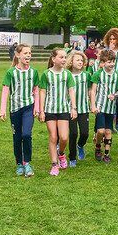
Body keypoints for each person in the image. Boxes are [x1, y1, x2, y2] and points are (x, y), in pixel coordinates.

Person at [0, 43, 39, 177]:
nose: (28, 56)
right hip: (15, 109)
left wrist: (37, 108)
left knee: (26, 134)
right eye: (25, 53)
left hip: (29, 107)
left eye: (30, 53)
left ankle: (27, 162)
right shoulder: (11, 72)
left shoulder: (33, 72)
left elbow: (36, 90)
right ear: (17, 55)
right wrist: (2, 110)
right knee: (17, 137)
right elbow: (5, 90)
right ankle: (19, 164)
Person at [39, 48, 77, 176]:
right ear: (53, 59)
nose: (64, 60)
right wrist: (41, 110)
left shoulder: (67, 74)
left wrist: (73, 107)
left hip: (63, 110)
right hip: (49, 110)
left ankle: (61, 154)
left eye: (65, 57)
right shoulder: (46, 74)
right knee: (53, 137)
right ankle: (54, 164)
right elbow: (42, 92)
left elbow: (71, 91)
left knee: (64, 137)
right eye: (61, 57)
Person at [90, 49, 118, 163]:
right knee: (100, 131)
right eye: (109, 61)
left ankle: (107, 154)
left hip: (110, 108)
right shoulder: (98, 74)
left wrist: (115, 95)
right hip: (100, 107)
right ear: (103, 62)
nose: (112, 64)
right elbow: (93, 91)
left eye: (113, 61)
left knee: (108, 131)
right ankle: (98, 146)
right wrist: (93, 105)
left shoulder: (117, 74)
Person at [67, 51, 91, 166]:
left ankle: (80, 145)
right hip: (70, 109)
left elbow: (91, 89)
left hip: (84, 108)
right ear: (71, 61)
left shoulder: (86, 75)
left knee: (85, 133)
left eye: (82, 60)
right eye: (77, 60)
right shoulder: (66, 74)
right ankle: (72, 157)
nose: (80, 62)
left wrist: (92, 103)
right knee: (73, 134)